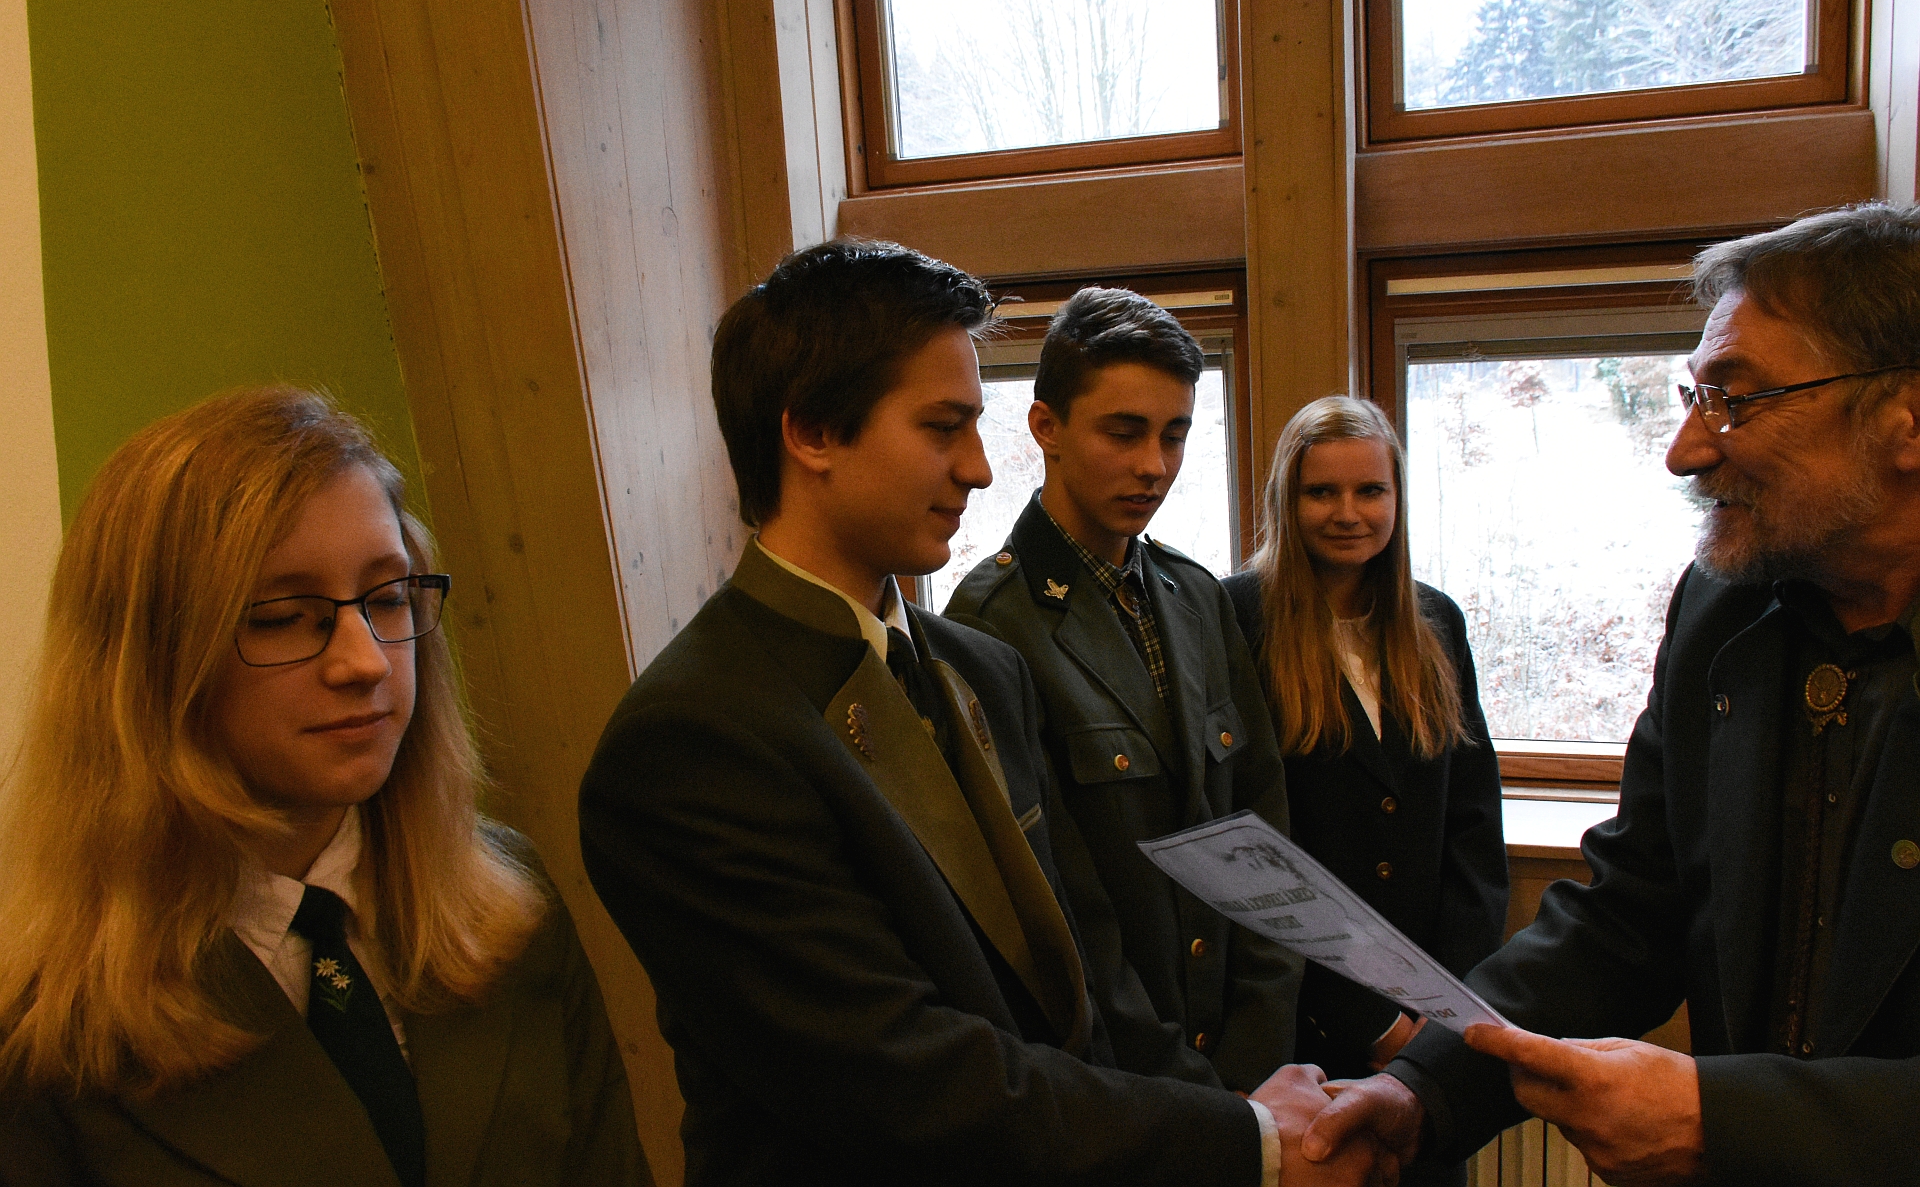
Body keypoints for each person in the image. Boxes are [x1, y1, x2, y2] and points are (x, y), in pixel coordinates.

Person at [577, 239, 1386, 1187]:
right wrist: (1244, 1142)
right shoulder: (691, 740)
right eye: (942, 427)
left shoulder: (979, 669)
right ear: (813, 433)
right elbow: (901, 1081)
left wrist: (1238, 1115)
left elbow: (1083, 976)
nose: (979, 469)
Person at [1303, 202, 1920, 1187]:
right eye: (1693, 395)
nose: (1686, 449)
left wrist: (1739, 1123)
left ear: (1906, 419)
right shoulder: (1722, 611)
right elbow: (1629, 916)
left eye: (1736, 398)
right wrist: (1422, 1091)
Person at [0, 387, 648, 1187]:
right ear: (149, 662)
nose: (365, 661)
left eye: (388, 599)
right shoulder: (43, 1022)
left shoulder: (511, 905)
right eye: (283, 616)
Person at [943, 287, 1304, 1093]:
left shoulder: (1195, 595)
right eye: (1124, 432)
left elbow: (1262, 829)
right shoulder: (990, 624)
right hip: (1119, 1079)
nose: (1154, 466)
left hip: (1246, 1060)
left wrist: (1257, 1046)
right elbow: (1056, 915)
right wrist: (1186, 1092)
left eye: (1174, 435)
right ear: (1047, 428)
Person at [1221, 395, 1507, 1186]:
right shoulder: (1236, 617)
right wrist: (1372, 1022)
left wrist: (1448, 1016)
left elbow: (1473, 828)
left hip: (1435, 1032)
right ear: (1288, 500)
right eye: (1322, 492)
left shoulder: (1435, 620)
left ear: (1396, 498)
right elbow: (1247, 848)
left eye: (1370, 490)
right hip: (1304, 1029)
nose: (1348, 513)